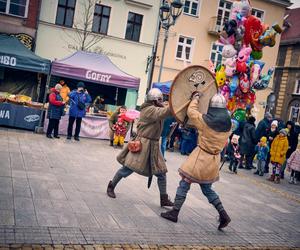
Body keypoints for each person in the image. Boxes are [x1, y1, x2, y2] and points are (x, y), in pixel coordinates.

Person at [161, 93, 232, 230]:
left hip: (200, 158)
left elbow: (191, 112)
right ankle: (223, 215)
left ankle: (174, 212)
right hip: (214, 160)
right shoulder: (228, 125)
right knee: (207, 189)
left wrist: (195, 98)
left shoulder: (205, 121)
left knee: (184, 184)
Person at [106, 88, 174, 207]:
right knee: (127, 168)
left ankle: (164, 198)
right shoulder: (148, 110)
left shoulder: (156, 108)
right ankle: (111, 186)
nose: (162, 102)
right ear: (154, 100)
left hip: (153, 145)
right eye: (160, 100)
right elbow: (164, 112)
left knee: (161, 173)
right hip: (142, 144)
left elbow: (167, 112)